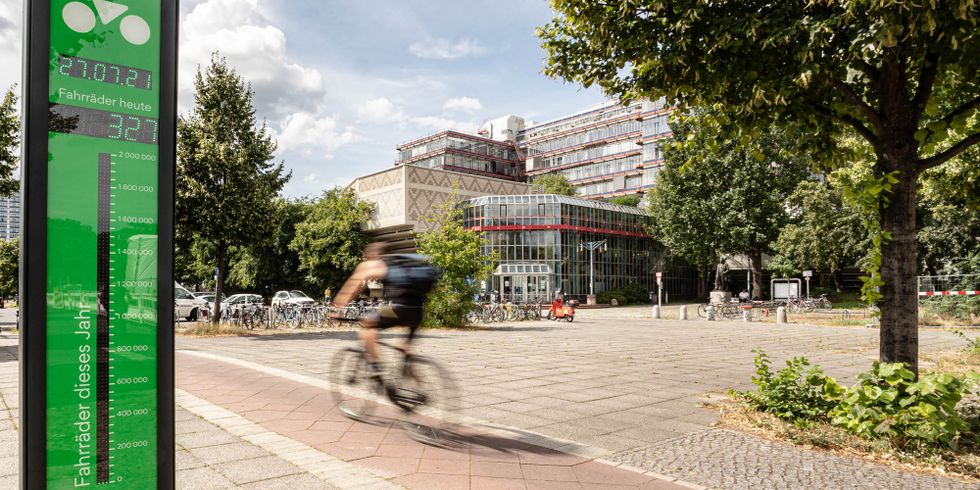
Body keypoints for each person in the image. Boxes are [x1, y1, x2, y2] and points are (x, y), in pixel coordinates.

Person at [333, 242, 426, 380]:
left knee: (367, 325)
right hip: (417, 311)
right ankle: (416, 385)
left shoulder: (376, 263)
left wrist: (337, 308)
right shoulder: (401, 262)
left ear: (372, 255)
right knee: (404, 348)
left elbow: (353, 285)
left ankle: (377, 366)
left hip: (396, 308)